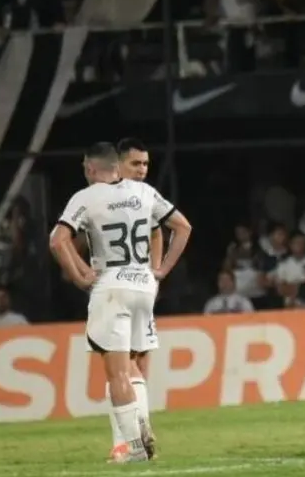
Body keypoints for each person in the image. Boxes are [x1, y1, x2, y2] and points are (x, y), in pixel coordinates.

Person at [48, 143, 192, 464]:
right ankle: (142, 428)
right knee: (133, 366)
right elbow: (182, 227)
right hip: (144, 286)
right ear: (118, 165)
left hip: (112, 286)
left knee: (117, 374)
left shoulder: (86, 197)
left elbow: (57, 241)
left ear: (89, 168)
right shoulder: (144, 192)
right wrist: (162, 270)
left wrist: (80, 275)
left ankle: (134, 447)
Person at [90, 138, 165, 460]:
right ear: (117, 165)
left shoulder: (131, 197)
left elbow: (160, 231)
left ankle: (130, 439)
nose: (143, 171)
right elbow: (162, 230)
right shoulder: (131, 198)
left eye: (146, 164)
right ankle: (136, 432)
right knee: (130, 365)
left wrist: (155, 271)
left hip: (119, 289)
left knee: (121, 365)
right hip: (132, 287)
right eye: (136, 164)